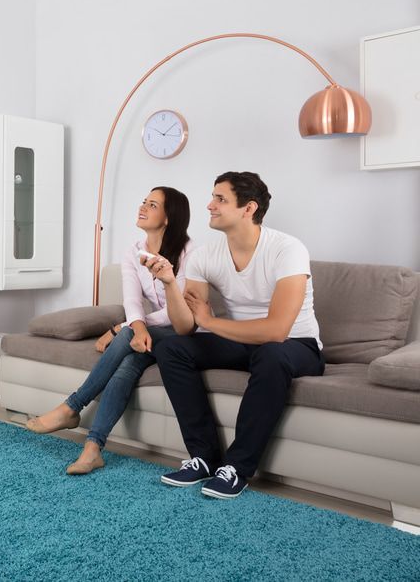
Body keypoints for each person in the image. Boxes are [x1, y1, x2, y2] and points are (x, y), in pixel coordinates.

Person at [149, 171, 324, 499]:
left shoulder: (288, 250)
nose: (209, 205)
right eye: (212, 197)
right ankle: (203, 458)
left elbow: (276, 331)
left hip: (296, 345)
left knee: (271, 353)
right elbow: (187, 327)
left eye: (220, 199)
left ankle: (238, 468)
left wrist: (211, 323)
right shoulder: (204, 256)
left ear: (248, 208)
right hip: (243, 343)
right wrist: (171, 285)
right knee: (173, 348)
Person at [26, 186, 193, 475]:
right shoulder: (133, 251)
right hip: (153, 335)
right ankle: (92, 450)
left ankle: (72, 407)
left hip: (188, 332)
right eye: (143, 201)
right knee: (128, 363)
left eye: (152, 205)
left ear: (168, 217)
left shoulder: (190, 253)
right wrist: (136, 325)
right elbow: (131, 299)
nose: (142, 207)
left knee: (128, 336)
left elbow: (182, 313)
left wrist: (125, 328)